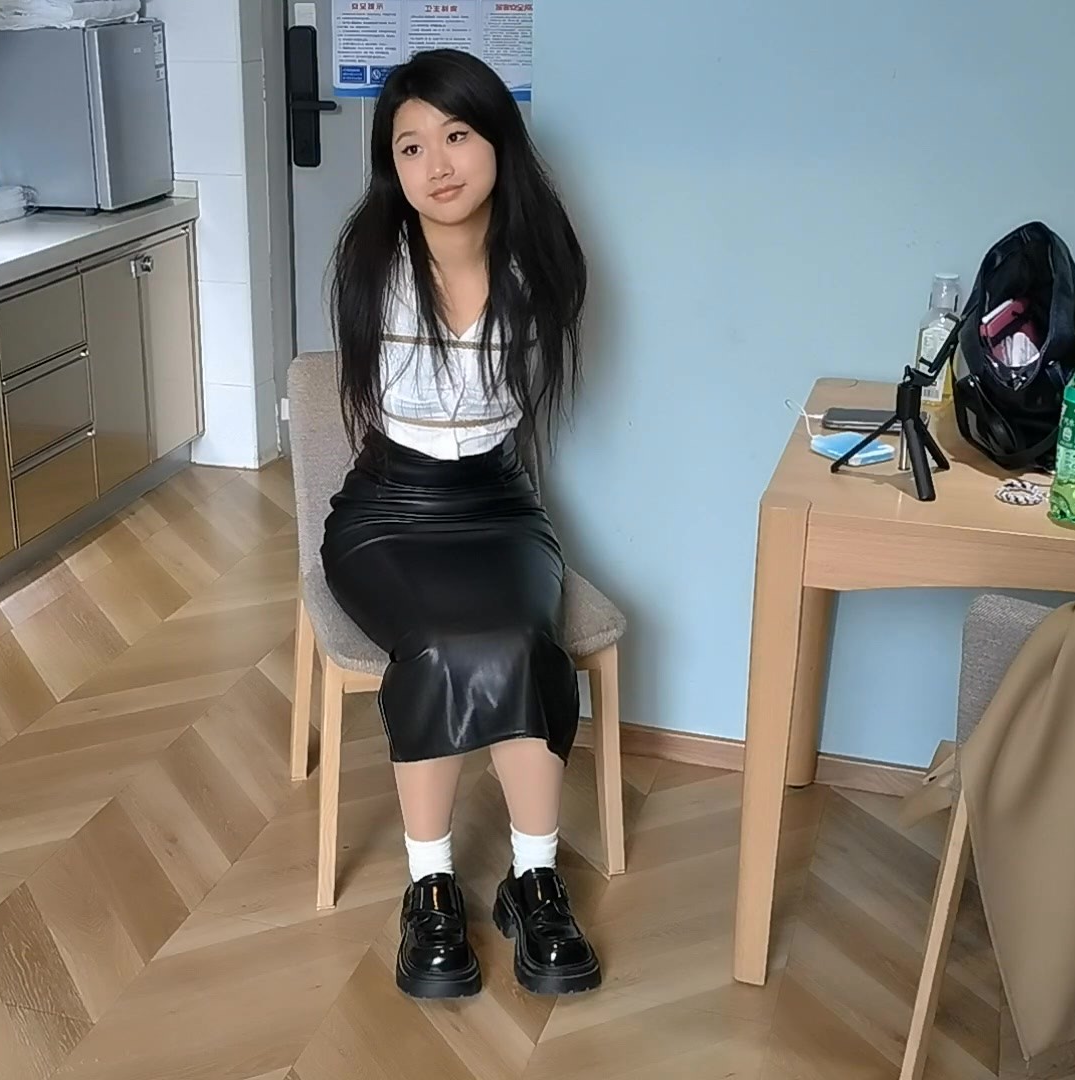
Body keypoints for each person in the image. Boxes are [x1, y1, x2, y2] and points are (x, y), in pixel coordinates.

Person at [321, 48, 598, 1000]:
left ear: (497, 141)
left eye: (457, 135)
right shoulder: (371, 262)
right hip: (387, 509)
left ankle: (534, 881)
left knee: (521, 639)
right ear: (391, 168)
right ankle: (430, 887)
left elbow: (501, 409)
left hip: (497, 503)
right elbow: (392, 403)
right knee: (441, 644)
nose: (436, 164)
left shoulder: (544, 262)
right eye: (410, 147)